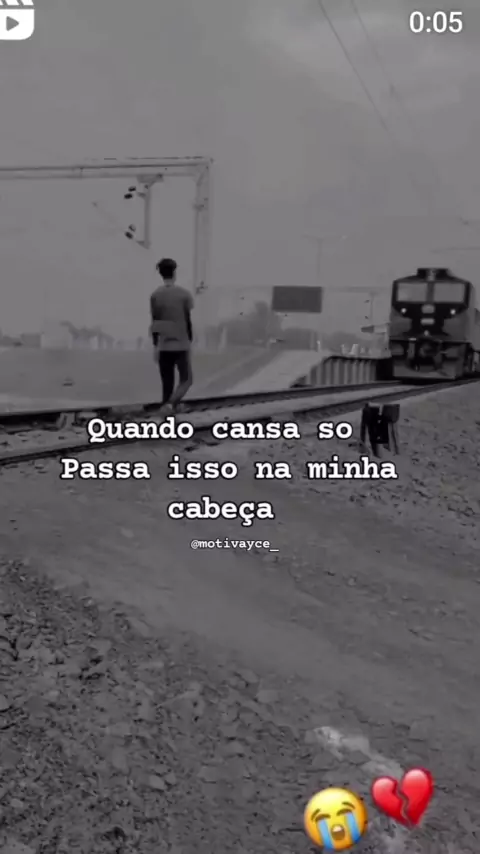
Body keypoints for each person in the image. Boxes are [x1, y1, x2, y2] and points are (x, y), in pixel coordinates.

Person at [149, 258, 194, 410]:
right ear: (174, 273)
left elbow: (155, 321)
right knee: (186, 380)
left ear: (161, 274)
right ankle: (170, 405)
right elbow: (187, 319)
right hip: (181, 343)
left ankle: (167, 413)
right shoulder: (184, 294)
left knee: (167, 383)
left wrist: (156, 345)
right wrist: (190, 339)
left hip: (163, 344)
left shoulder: (155, 295)